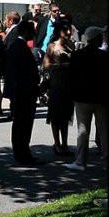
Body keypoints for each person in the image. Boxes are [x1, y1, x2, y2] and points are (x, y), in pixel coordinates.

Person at [65, 26, 108, 171]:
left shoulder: (77, 55)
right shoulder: (104, 56)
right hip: (101, 98)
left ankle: (80, 161)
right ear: (97, 39)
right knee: (104, 131)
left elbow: (71, 77)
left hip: (82, 97)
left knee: (82, 131)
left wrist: (72, 94)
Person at [7, 21, 41, 166]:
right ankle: (22, 153)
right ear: (26, 32)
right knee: (23, 124)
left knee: (22, 124)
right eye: (32, 31)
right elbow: (20, 72)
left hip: (23, 91)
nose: (34, 34)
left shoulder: (18, 46)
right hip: (23, 92)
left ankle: (22, 152)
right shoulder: (19, 47)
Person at [42, 18, 75, 157]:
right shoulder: (52, 46)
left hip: (68, 84)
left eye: (69, 30)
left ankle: (65, 144)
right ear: (59, 31)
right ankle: (57, 144)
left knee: (66, 115)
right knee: (55, 115)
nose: (68, 32)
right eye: (65, 30)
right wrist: (60, 66)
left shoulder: (71, 46)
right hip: (56, 83)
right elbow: (45, 65)